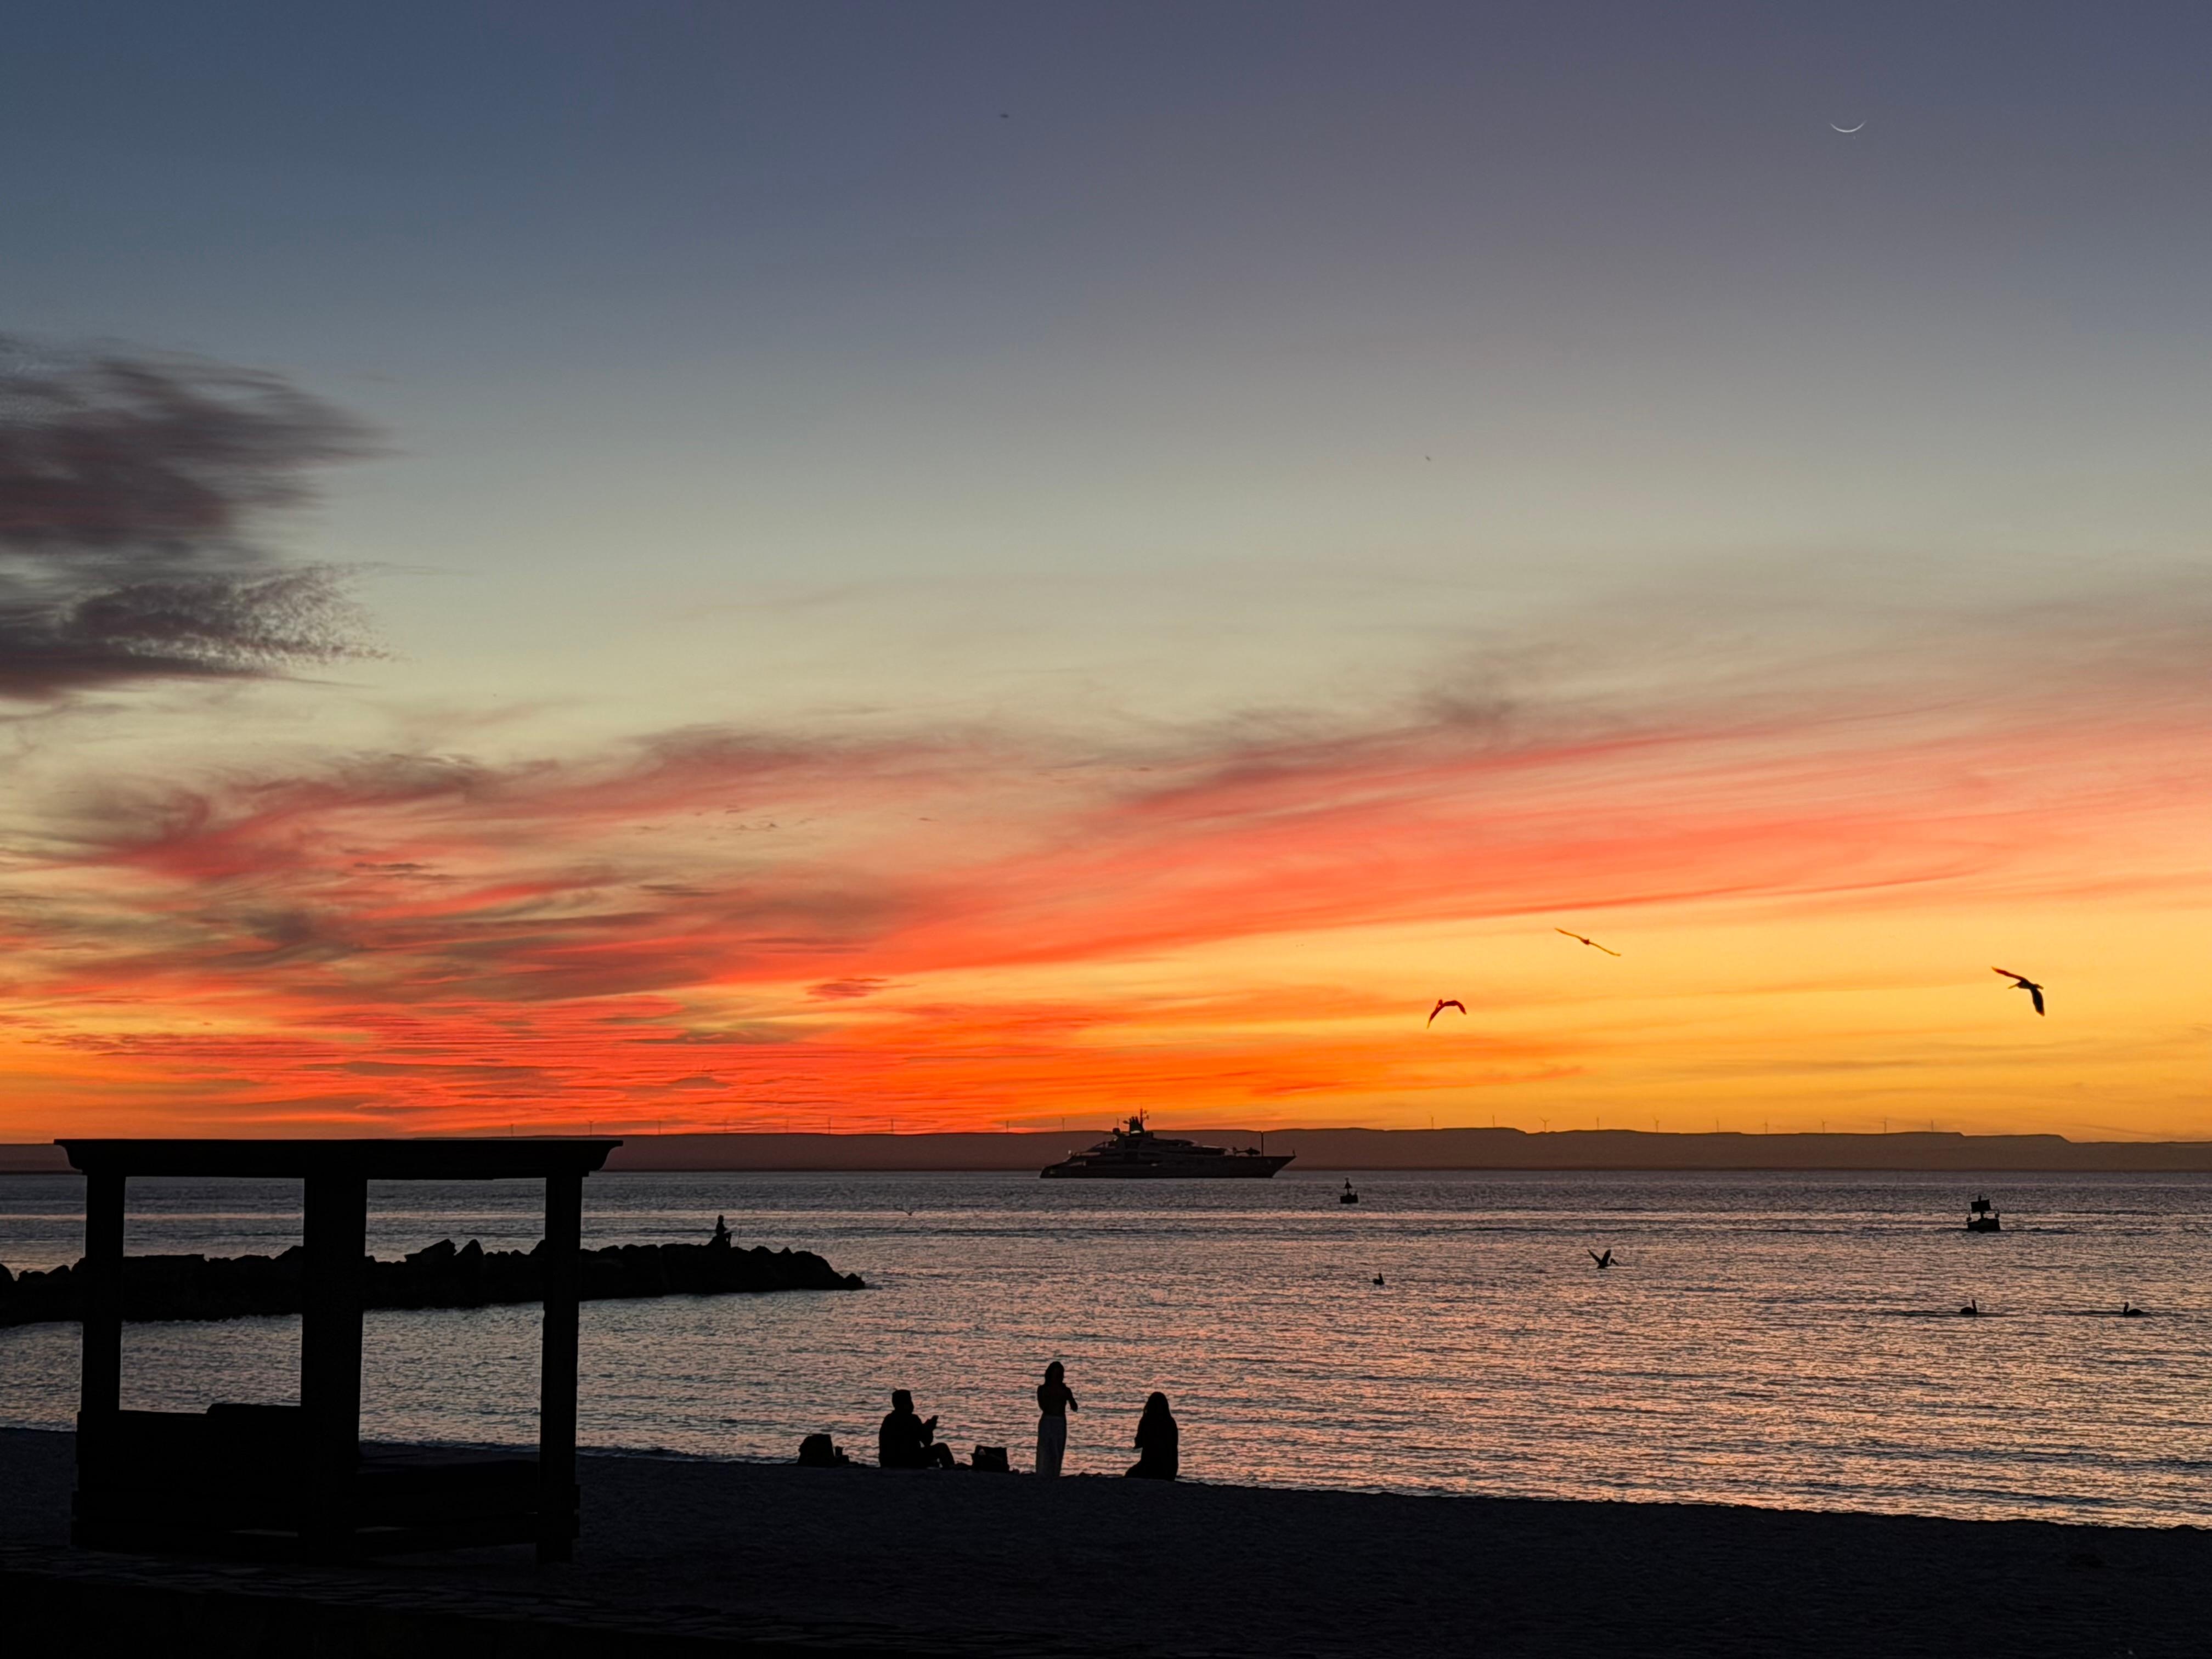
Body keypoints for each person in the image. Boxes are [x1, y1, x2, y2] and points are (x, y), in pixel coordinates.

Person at [878, 1389, 956, 1469]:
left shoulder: (889, 1419)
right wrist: (930, 1428)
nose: (912, 1404)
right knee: (942, 1448)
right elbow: (927, 1441)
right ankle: (951, 1469)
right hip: (907, 1461)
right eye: (909, 1401)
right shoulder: (912, 1419)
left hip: (888, 1462)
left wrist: (926, 1428)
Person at [1035, 1361, 1077, 1477]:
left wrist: (1068, 1396)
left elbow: (1075, 1407)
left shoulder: (1065, 1390)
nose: (1059, 1377)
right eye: (1057, 1374)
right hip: (1048, 1420)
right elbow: (1043, 1406)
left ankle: (1055, 1473)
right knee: (1045, 1449)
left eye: (1060, 1374)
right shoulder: (1043, 1389)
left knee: (1057, 1449)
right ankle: (1042, 1473)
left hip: (1060, 1421)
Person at [1125, 1391, 1178, 1481]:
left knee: (1130, 1475)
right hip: (1170, 1469)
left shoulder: (1148, 1421)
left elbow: (1138, 1443)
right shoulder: (1170, 1422)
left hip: (1150, 1466)